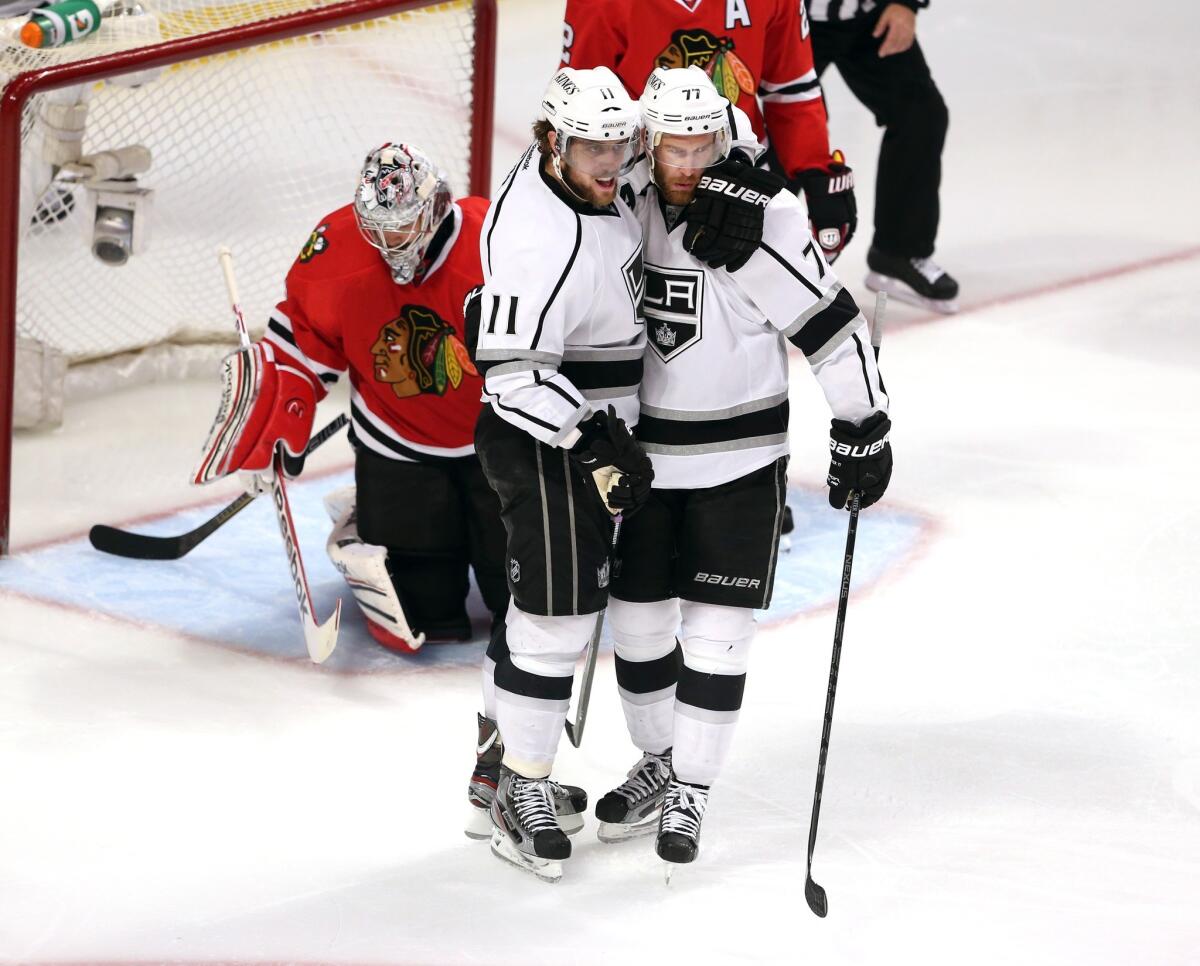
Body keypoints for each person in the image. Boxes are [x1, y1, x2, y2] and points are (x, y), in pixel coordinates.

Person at [593, 66, 891, 868]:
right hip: (645, 465)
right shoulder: (621, 201)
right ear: (646, 142)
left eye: (702, 144)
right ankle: (660, 762)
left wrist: (863, 421)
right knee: (638, 629)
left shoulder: (763, 217)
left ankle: (693, 787)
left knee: (717, 640)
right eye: (672, 145)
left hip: (738, 465)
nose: (687, 162)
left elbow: (827, 320)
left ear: (723, 138)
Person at [191, 142, 509, 653]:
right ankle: (383, 521)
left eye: (402, 224)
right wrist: (274, 412)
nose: (388, 239)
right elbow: (302, 343)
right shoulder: (337, 248)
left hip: (497, 440)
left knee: (523, 606)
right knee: (427, 610)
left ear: (436, 205)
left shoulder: (496, 242)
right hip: (397, 444)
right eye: (376, 225)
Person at [466, 65, 658, 883]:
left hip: (588, 425)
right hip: (544, 433)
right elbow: (508, 374)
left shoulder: (587, 173)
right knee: (555, 617)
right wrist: (591, 439)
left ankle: (492, 774)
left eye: (621, 143)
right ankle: (521, 787)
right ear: (552, 142)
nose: (612, 161)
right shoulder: (536, 240)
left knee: (543, 614)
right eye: (593, 147)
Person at [561, 0, 858, 266]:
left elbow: (791, 88)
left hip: (745, 179)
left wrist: (817, 169)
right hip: (645, 191)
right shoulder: (599, 4)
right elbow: (580, 112)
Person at [807, 0, 958, 312]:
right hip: (789, 19)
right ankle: (750, 261)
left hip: (867, 14)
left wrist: (906, 4)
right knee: (789, 129)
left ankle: (898, 252)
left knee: (920, 114)